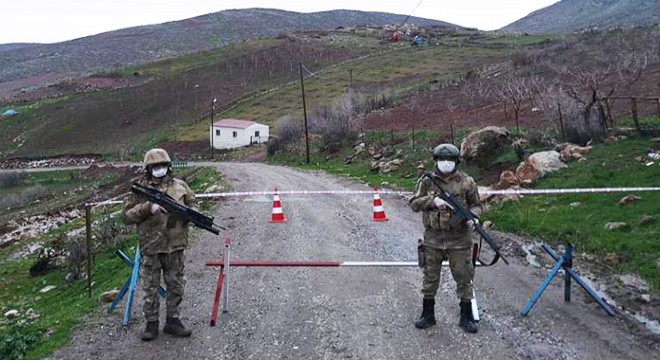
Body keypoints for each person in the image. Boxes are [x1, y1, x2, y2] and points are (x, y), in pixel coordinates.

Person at [122, 148, 196, 341]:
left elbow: (193, 204)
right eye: (155, 166)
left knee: (176, 285)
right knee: (150, 288)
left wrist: (192, 215)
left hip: (175, 245)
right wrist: (148, 207)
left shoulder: (181, 186)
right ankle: (151, 324)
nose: (159, 169)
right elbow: (127, 216)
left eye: (162, 165)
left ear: (168, 166)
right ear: (148, 168)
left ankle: (173, 321)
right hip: (151, 246)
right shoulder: (139, 190)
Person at [409, 143, 481, 333]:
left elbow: (476, 205)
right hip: (433, 238)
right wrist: (433, 201)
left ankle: (466, 317)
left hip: (459, 240)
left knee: (464, 277)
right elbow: (414, 203)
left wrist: (474, 217)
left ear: (457, 161)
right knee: (430, 278)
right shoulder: (427, 181)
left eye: (449, 160)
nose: (445, 163)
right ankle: (428, 315)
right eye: (442, 159)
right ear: (436, 161)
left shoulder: (467, 181)